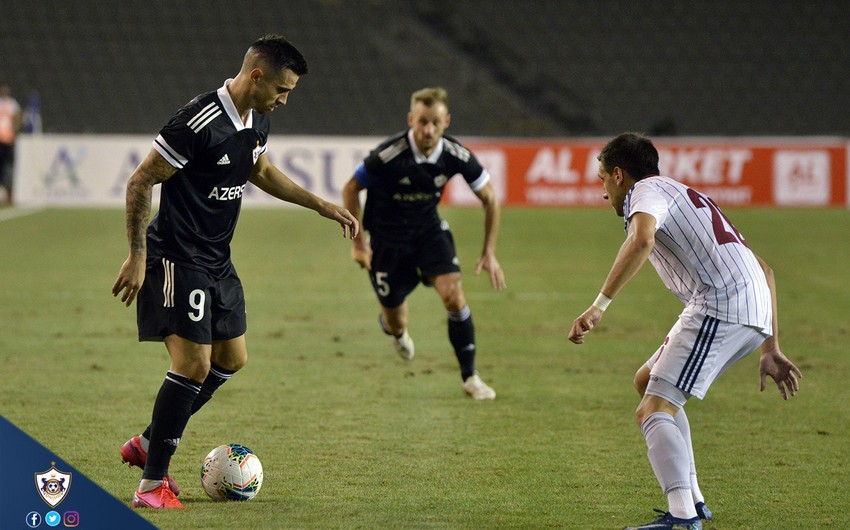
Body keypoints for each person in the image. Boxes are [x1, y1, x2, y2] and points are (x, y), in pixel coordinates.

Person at [111, 34, 359, 510]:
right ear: (256, 75)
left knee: (232, 359)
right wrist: (138, 255)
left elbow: (260, 170)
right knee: (193, 364)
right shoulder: (197, 121)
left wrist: (322, 205)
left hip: (217, 259)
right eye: (282, 89)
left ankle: (147, 442)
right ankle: (151, 485)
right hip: (176, 256)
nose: (285, 100)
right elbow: (141, 179)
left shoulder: (258, 117)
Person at [568, 133, 802, 530]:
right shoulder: (680, 191)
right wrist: (770, 346)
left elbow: (641, 240)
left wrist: (598, 307)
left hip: (720, 304)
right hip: (745, 306)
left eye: (603, 178)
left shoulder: (645, 191)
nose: (602, 189)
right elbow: (765, 269)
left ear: (620, 175)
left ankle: (683, 518)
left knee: (653, 409)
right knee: (647, 382)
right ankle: (693, 499)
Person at [342, 87, 506, 400]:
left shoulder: (456, 154)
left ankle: (470, 377)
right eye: (421, 122)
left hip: (429, 233)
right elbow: (351, 188)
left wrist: (489, 252)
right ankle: (395, 330)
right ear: (410, 120)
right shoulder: (389, 154)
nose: (427, 130)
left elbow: (490, 199)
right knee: (395, 320)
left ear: (446, 121)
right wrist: (359, 243)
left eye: (434, 122)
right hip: (387, 241)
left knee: (455, 296)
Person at [0, 84, 22, 205]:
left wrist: (15, 129)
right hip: (3, 140)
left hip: (8, 140)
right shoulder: (9, 103)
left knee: (8, 169)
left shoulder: (12, 103)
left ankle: (9, 196)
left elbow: (18, 117)